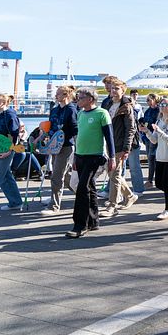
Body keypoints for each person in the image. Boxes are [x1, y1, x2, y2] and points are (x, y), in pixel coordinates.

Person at [67, 87, 115, 238]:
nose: (78, 100)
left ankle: (80, 224)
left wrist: (112, 157)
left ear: (90, 99)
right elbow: (79, 137)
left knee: (82, 189)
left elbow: (109, 137)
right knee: (90, 187)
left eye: (80, 97)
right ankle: (94, 221)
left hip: (94, 156)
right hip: (80, 155)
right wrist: (75, 157)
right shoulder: (80, 113)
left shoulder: (102, 113)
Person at [140, 97, 168, 220]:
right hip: (160, 156)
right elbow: (154, 140)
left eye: (165, 104)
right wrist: (147, 132)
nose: (162, 106)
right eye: (161, 104)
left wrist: (159, 131)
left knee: (166, 183)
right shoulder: (159, 120)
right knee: (159, 183)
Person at [100, 79, 138, 217]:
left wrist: (126, 149)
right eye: (112, 88)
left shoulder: (126, 107)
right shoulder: (108, 104)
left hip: (119, 144)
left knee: (115, 175)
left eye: (117, 89)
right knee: (111, 174)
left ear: (123, 91)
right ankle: (130, 195)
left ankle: (112, 205)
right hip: (107, 143)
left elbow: (131, 129)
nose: (113, 91)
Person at [41, 86, 79, 215]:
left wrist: (78, 147)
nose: (56, 96)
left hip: (66, 145)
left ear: (66, 95)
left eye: (58, 94)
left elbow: (75, 129)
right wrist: (42, 138)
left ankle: (54, 205)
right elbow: (50, 127)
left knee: (57, 175)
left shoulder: (71, 110)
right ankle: (83, 195)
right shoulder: (55, 110)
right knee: (65, 175)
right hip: (54, 145)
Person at [142, 94, 161, 190]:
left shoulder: (158, 111)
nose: (147, 102)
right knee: (151, 159)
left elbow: (156, 124)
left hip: (154, 136)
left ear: (154, 99)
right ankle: (150, 180)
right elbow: (145, 121)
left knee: (152, 159)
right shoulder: (148, 110)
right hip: (147, 137)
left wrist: (148, 126)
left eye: (149, 100)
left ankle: (151, 180)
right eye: (147, 100)